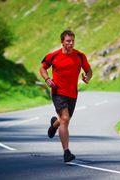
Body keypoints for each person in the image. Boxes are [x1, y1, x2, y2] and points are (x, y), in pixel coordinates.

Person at [39, 30, 93, 162]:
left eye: (73, 41)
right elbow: (42, 68)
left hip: (72, 94)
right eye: (68, 41)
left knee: (64, 120)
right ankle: (66, 152)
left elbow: (89, 70)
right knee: (65, 118)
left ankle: (54, 125)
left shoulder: (79, 56)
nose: (71, 43)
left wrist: (87, 77)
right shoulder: (54, 56)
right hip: (58, 92)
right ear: (62, 42)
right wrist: (47, 79)